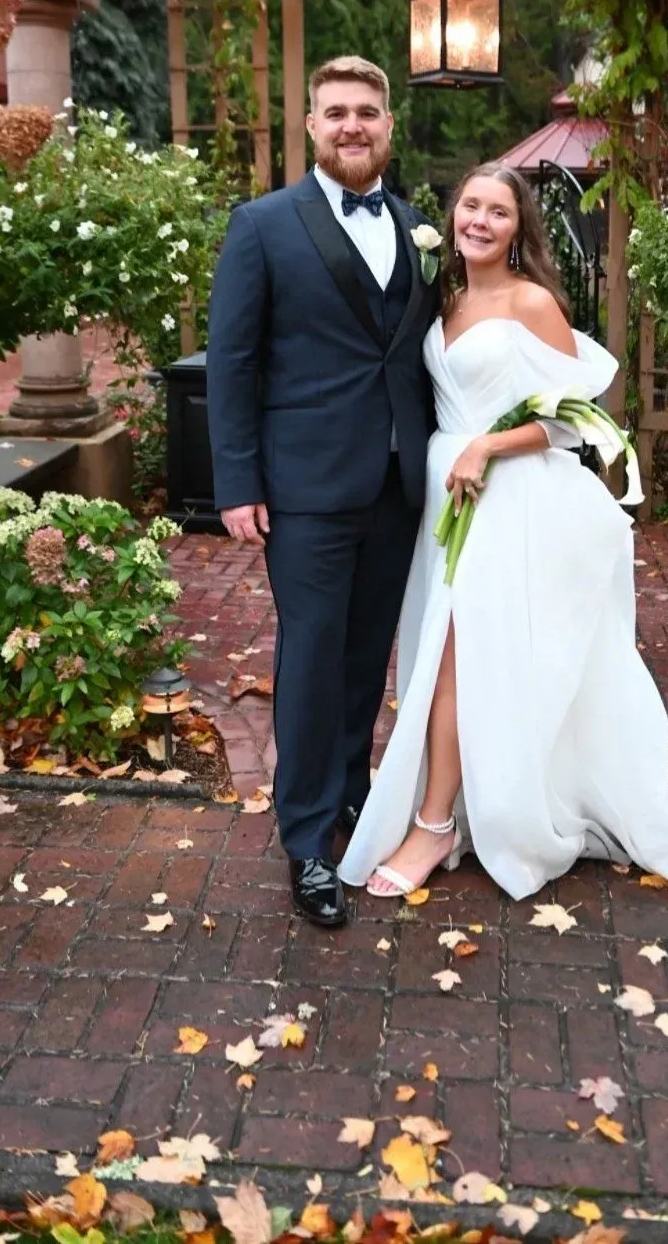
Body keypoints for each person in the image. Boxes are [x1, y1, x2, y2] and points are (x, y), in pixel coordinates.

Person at [339, 162, 668, 902]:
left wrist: (488, 446)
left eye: (499, 212)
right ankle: (461, 800)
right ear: (453, 216)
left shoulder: (533, 302)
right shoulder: (444, 297)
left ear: (520, 229)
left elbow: (573, 422)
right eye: (471, 207)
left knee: (454, 656)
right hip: (443, 495)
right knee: (449, 650)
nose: (480, 221)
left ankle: (433, 823)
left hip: (507, 498)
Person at [205, 55, 440, 928]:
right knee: (308, 657)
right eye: (336, 111)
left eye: (368, 112)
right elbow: (232, 360)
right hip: (302, 484)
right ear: (311, 125)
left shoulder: (419, 227)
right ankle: (305, 839)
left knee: (366, 652)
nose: (353, 125)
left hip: (395, 481)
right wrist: (237, 481)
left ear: (388, 126)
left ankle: (350, 795)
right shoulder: (264, 225)